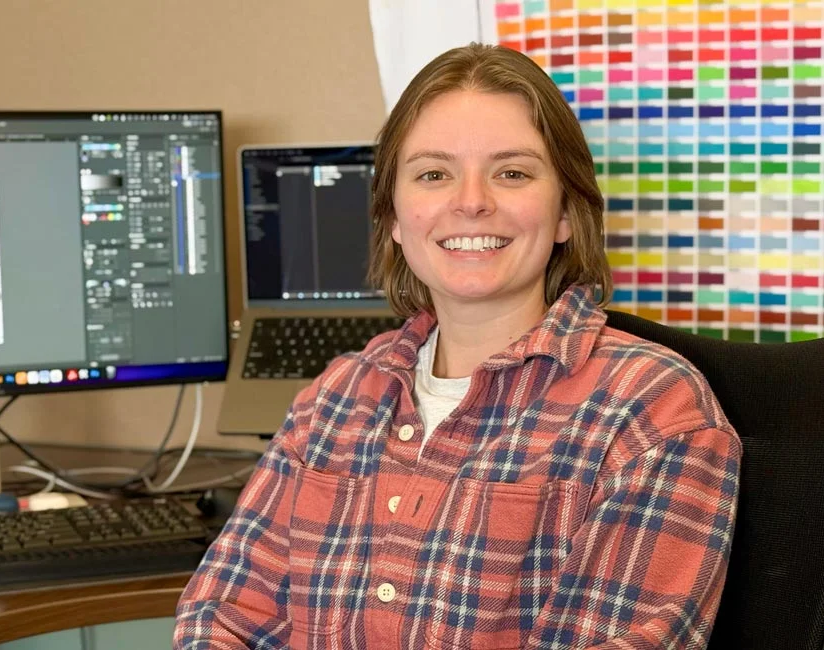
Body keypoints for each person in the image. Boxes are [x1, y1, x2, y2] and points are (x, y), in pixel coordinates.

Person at [174, 43, 740, 649]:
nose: (471, 202)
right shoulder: (334, 400)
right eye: (433, 174)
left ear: (566, 214)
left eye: (512, 173)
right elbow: (222, 615)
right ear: (394, 216)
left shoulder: (653, 413)